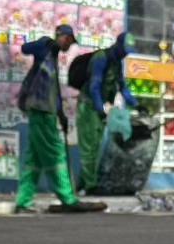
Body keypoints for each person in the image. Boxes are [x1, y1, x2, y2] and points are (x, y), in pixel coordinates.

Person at [14, 25, 103, 215]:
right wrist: (45, 42)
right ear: (64, 37)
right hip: (40, 109)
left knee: (34, 160)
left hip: (46, 111)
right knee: (56, 153)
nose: (69, 47)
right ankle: (68, 199)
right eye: (69, 42)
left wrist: (61, 114)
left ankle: (22, 202)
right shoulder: (45, 48)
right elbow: (25, 49)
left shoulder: (53, 58)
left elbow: (53, 91)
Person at [76, 32, 138, 195]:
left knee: (94, 147)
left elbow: (122, 87)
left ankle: (81, 184)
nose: (126, 53)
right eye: (125, 50)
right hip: (88, 107)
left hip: (100, 109)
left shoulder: (117, 63)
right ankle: (90, 186)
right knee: (89, 147)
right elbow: (94, 86)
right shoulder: (101, 58)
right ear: (118, 45)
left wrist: (136, 104)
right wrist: (100, 108)